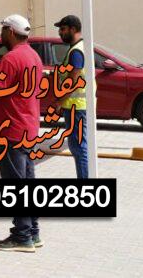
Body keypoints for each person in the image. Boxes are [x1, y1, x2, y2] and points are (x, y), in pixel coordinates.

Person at [0, 14, 44, 252]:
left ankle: (22, 236)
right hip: (28, 127)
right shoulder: (33, 55)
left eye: (3, 30)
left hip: (12, 129)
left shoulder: (11, 58)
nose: (0, 35)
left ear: (10, 31)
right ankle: (33, 232)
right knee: (27, 182)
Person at [54, 14, 89, 178]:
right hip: (77, 105)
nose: (60, 33)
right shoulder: (79, 48)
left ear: (73, 29)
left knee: (78, 146)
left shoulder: (76, 51)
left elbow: (72, 81)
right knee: (77, 145)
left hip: (76, 106)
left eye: (63, 29)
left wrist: (59, 102)